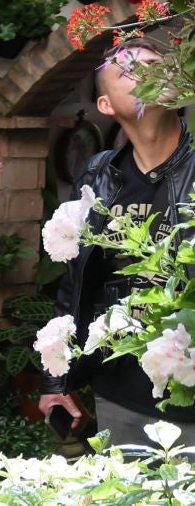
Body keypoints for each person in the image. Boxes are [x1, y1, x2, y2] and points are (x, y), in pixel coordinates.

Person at [40, 41, 195, 448]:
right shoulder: (97, 174)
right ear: (106, 105)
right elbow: (75, 281)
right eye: (130, 69)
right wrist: (57, 377)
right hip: (120, 387)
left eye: (156, 66)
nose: (146, 72)